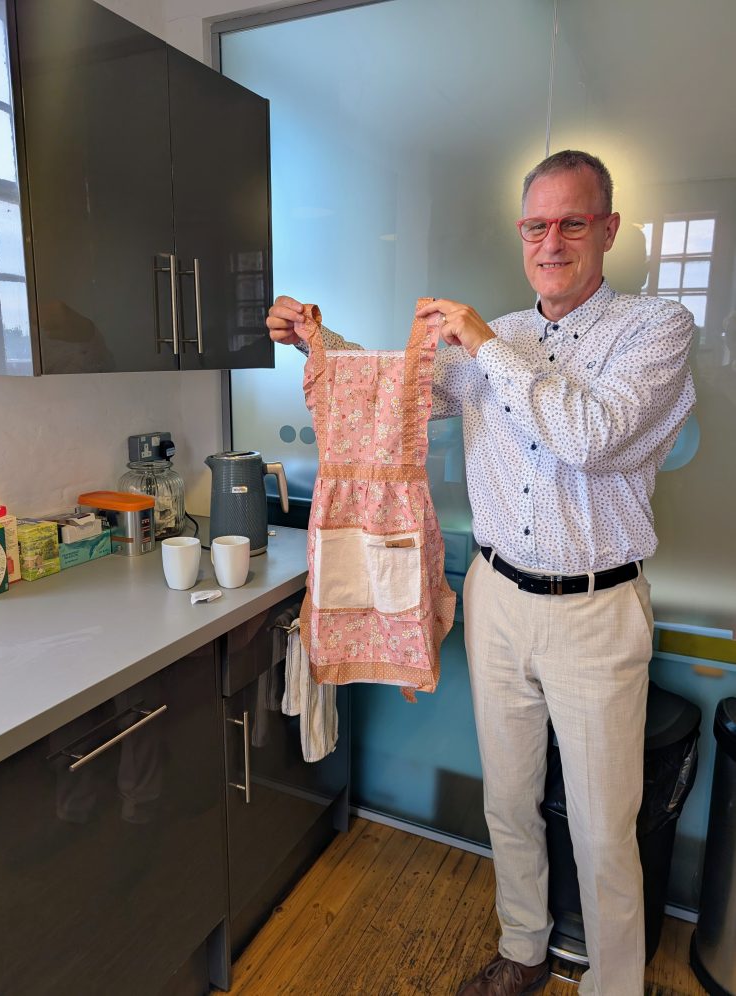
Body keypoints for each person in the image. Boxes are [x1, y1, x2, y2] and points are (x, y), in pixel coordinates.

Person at [266, 149, 695, 996]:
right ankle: (524, 952)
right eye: (537, 225)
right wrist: (319, 339)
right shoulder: (498, 334)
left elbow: (592, 436)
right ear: (521, 234)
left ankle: (615, 985)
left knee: (606, 832)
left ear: (608, 229)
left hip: (596, 610)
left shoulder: (655, 328)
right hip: (498, 596)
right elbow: (397, 397)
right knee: (509, 801)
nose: (552, 241)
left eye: (574, 222)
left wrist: (490, 345)